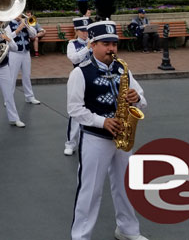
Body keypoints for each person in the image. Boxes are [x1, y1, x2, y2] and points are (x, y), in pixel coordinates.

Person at [68, 20, 148, 240]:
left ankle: (128, 230)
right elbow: (74, 110)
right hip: (96, 139)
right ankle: (81, 236)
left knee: (126, 186)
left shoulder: (123, 69)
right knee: (90, 191)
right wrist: (101, 121)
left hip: (123, 138)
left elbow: (143, 101)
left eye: (114, 43)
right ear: (92, 45)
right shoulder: (80, 73)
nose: (112, 48)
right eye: (106, 43)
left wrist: (137, 97)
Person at [63, 16, 92, 156]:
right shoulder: (72, 44)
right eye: (82, 31)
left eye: (86, 30)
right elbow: (74, 58)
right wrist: (87, 48)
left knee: (92, 109)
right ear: (76, 31)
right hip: (77, 78)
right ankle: (70, 143)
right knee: (75, 111)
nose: (85, 33)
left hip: (92, 78)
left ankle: (89, 141)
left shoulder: (94, 42)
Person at [8, 13, 40, 104]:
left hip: (26, 52)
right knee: (12, 76)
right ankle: (9, 98)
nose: (19, 15)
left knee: (27, 75)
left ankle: (29, 97)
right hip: (15, 53)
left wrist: (27, 25)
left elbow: (34, 35)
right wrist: (18, 29)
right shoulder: (9, 24)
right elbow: (8, 37)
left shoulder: (25, 23)